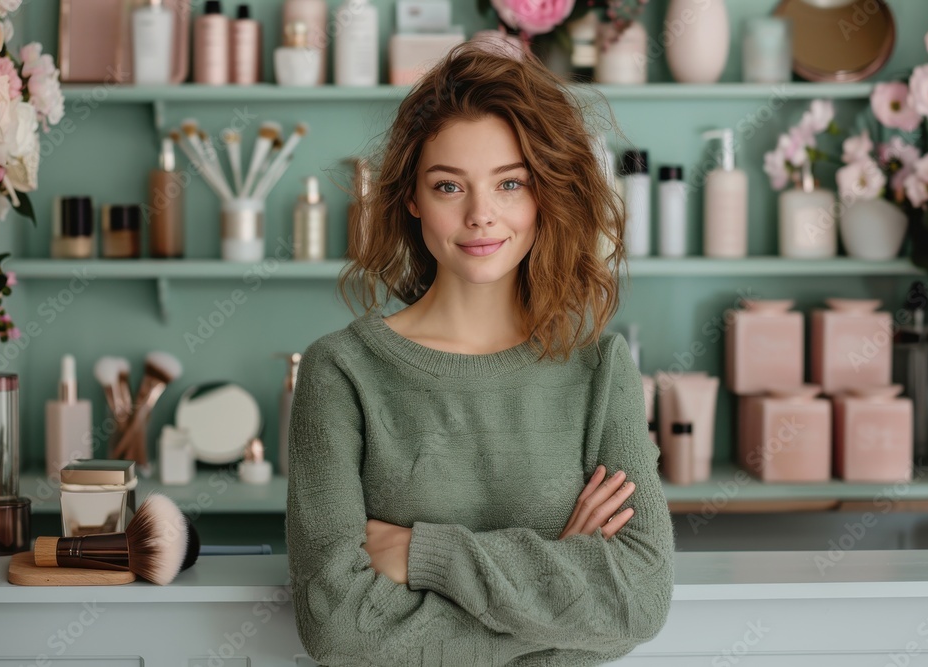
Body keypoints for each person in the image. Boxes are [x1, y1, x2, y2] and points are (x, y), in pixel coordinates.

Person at [286, 42, 675, 666]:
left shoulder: (600, 369)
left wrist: (424, 554)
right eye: (448, 186)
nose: (480, 217)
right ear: (412, 198)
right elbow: (338, 627)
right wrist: (561, 582)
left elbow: (639, 600)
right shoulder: (342, 373)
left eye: (509, 184)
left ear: (541, 194)